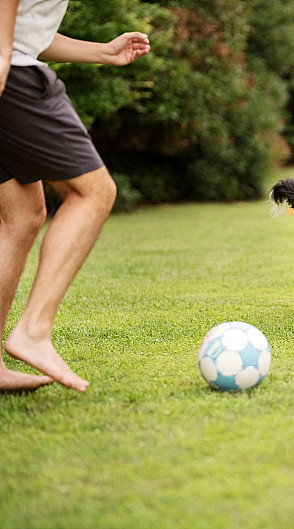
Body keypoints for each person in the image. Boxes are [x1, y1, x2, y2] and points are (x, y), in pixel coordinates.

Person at [0, 0, 150, 392]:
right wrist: (2, 52)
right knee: (94, 192)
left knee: (22, 216)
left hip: (11, 64)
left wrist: (103, 52)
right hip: (12, 74)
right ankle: (33, 330)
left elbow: (28, 30)